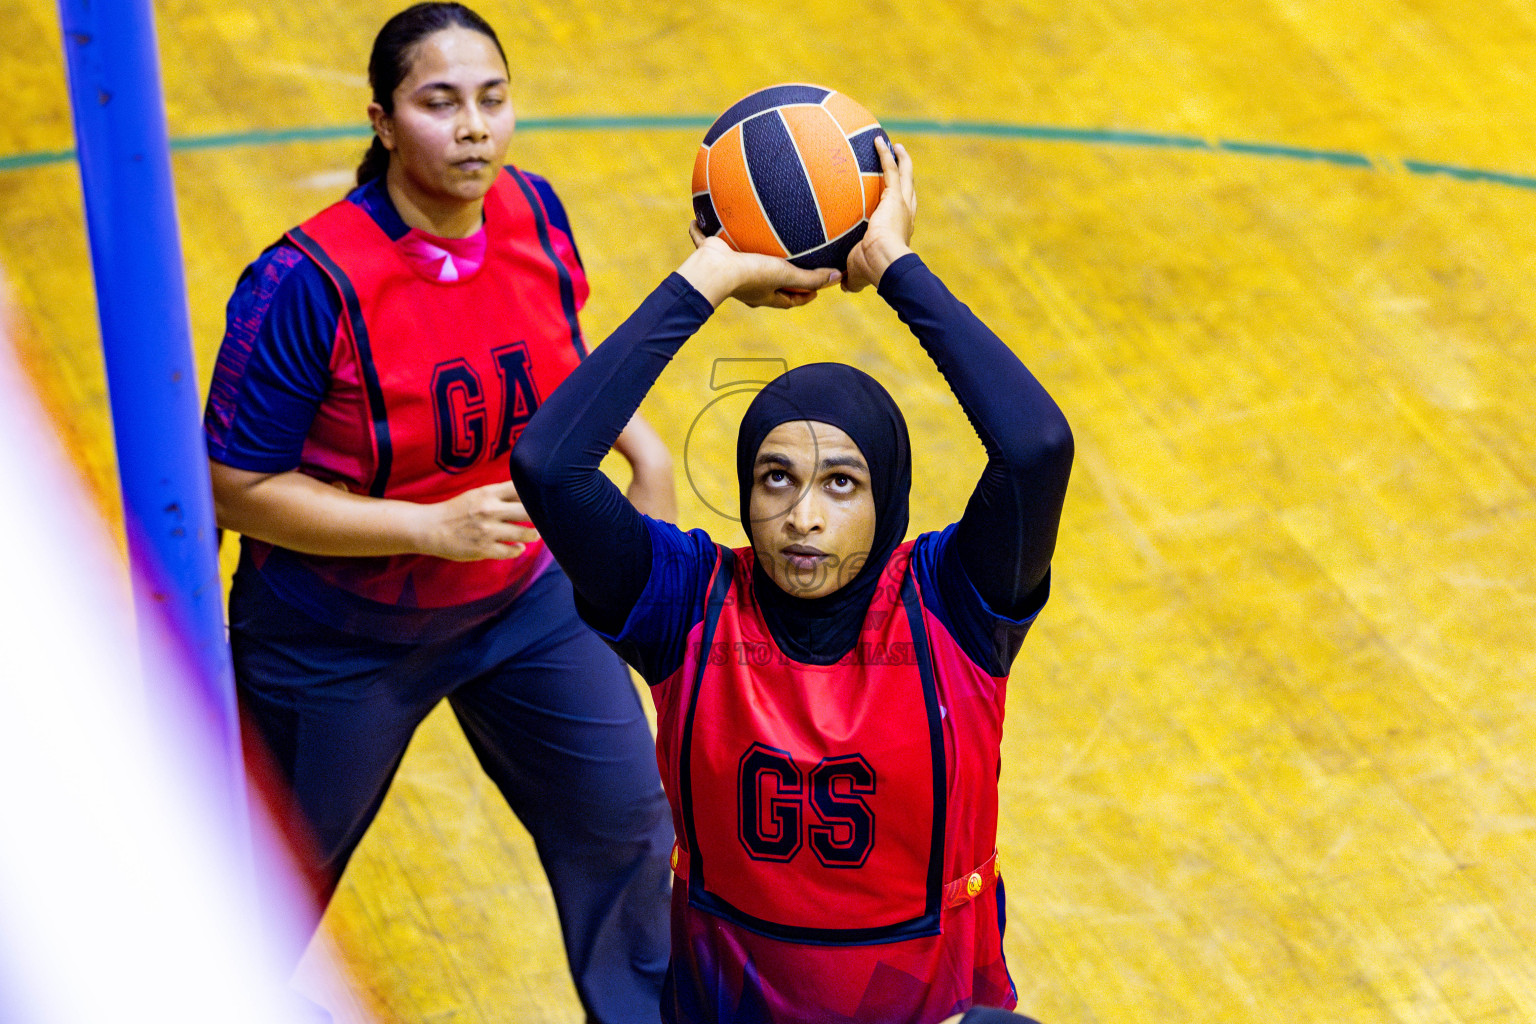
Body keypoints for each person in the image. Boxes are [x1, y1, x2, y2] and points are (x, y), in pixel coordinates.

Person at [510, 136, 1072, 1024]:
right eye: (776, 477)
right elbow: (550, 466)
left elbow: (1037, 448)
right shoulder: (683, 605)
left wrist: (894, 265)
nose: (803, 514)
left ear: (887, 498)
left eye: (840, 482)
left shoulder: (955, 607)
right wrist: (713, 272)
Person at [201, 5, 672, 1021]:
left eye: (492, 100)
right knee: (259, 895)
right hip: (335, 637)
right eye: (439, 101)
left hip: (522, 605)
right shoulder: (303, 284)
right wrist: (428, 527)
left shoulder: (535, 212)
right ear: (382, 120)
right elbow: (232, 487)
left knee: (631, 830)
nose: (472, 127)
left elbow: (553, 356)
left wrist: (638, 441)